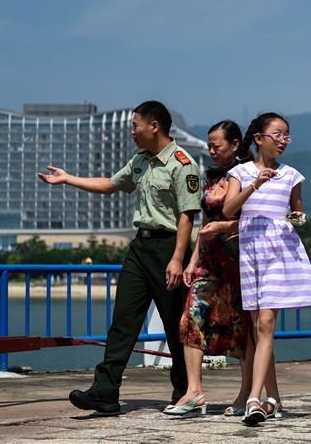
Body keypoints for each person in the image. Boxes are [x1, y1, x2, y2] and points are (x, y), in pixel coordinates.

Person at [38, 101, 200, 415]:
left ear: (154, 126)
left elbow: (187, 216)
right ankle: (105, 392)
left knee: (174, 324)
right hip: (140, 248)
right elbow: (111, 185)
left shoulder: (183, 163)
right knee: (123, 320)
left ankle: (184, 391)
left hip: (170, 248)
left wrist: (178, 259)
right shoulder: (141, 161)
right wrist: (69, 179)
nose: (132, 132)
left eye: (136, 125)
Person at [223, 112, 311, 426]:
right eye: (278, 134)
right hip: (251, 252)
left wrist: (297, 218)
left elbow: (297, 211)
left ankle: (254, 399)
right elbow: (230, 209)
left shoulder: (291, 175)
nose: (284, 140)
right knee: (260, 330)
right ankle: (274, 398)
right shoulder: (240, 172)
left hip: (279, 252)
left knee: (266, 323)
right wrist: (254, 185)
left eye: (287, 135)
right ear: (259, 139)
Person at [167, 120, 280, 417]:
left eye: (217, 146)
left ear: (234, 145)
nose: (212, 150)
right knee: (191, 319)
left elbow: (263, 219)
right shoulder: (212, 176)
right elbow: (205, 222)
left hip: (242, 263)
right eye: (209, 146)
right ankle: (194, 392)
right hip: (209, 262)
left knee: (244, 331)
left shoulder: (246, 175)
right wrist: (192, 260)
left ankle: (246, 393)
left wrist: (225, 226)